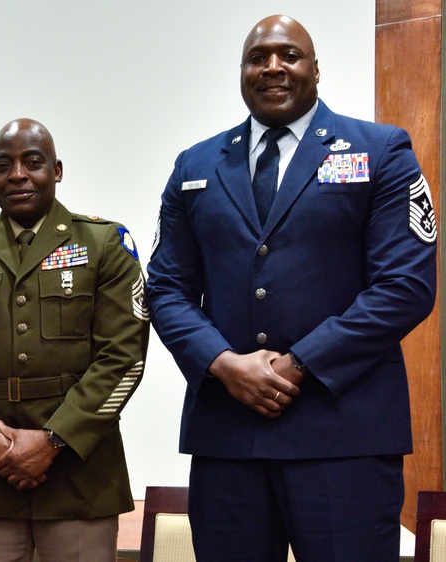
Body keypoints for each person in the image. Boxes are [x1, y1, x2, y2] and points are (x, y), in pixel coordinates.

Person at [146, 14, 438, 561]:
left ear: (316, 68)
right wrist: (223, 364)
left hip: (345, 440)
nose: (273, 67)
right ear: (242, 72)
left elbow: (406, 285)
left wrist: (297, 364)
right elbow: (164, 288)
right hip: (228, 438)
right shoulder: (197, 164)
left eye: (289, 55)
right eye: (258, 58)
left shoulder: (380, 151)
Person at [0, 118, 150, 561]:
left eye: (33, 162)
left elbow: (124, 358)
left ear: (57, 170)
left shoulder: (105, 244)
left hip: (80, 478)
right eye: (4, 166)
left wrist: (52, 441)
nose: (17, 174)